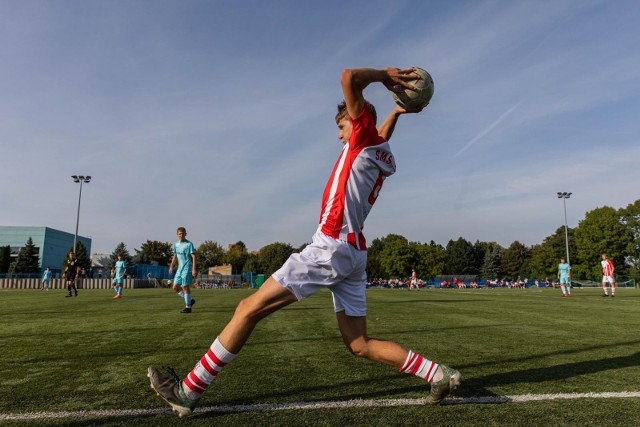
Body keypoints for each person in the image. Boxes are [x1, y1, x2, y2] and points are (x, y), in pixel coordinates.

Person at [148, 67, 461, 417]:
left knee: (247, 309)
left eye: (343, 127)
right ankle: (438, 374)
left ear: (358, 124)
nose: (340, 136)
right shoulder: (378, 152)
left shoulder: (361, 139)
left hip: (330, 247)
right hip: (354, 254)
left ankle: (188, 391)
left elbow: (348, 77)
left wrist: (384, 76)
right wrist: (397, 111)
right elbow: (382, 133)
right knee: (359, 343)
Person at [169, 227, 197, 313]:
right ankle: (190, 300)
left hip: (187, 267)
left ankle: (188, 307)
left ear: (186, 234)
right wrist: (171, 266)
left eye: (183, 233)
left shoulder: (189, 244)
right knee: (175, 287)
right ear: (177, 234)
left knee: (185, 286)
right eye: (180, 234)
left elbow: (194, 256)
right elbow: (175, 256)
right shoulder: (176, 244)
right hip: (179, 269)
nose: (181, 235)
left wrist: (194, 269)